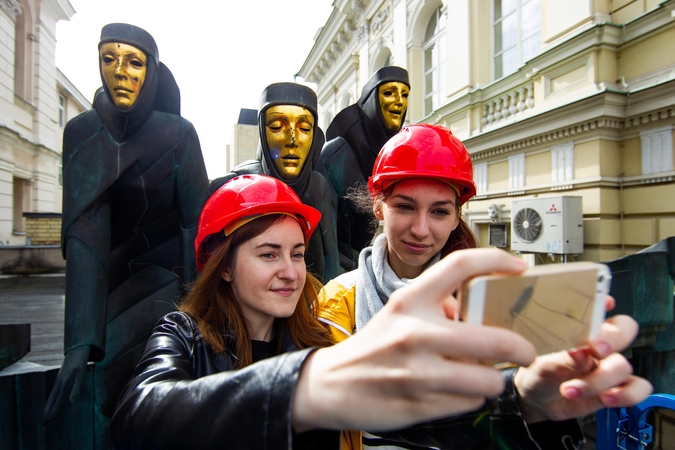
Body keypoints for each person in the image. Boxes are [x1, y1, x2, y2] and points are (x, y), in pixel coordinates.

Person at [111, 174, 651, 450]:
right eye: (268, 254)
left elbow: (410, 416)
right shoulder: (181, 334)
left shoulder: (318, 331)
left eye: (298, 254)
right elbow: (142, 416)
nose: (290, 272)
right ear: (224, 268)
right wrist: (308, 388)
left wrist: (521, 400)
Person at [316, 123, 652, 449]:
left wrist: (527, 401)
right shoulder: (337, 300)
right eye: (405, 206)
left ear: (456, 217)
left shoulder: (487, 300)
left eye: (439, 212)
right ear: (378, 207)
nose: (420, 229)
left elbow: (496, 420)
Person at [43, 22, 208, 445]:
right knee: (101, 383)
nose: (120, 71)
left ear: (151, 71)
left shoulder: (179, 135)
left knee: (151, 363)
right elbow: (86, 235)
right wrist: (78, 342)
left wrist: (199, 309)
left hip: (168, 275)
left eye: (134, 62)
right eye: (109, 58)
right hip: (113, 278)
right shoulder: (82, 133)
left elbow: (197, 227)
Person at [209, 82, 340, 283]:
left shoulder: (318, 186)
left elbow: (331, 260)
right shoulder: (238, 185)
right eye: (278, 126)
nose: (292, 140)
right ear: (263, 131)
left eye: (304, 128)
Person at [318, 66, 410, 271]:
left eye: (405, 95)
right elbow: (326, 238)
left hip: (373, 266)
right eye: (389, 93)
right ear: (372, 100)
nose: (399, 101)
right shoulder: (336, 154)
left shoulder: (395, 153)